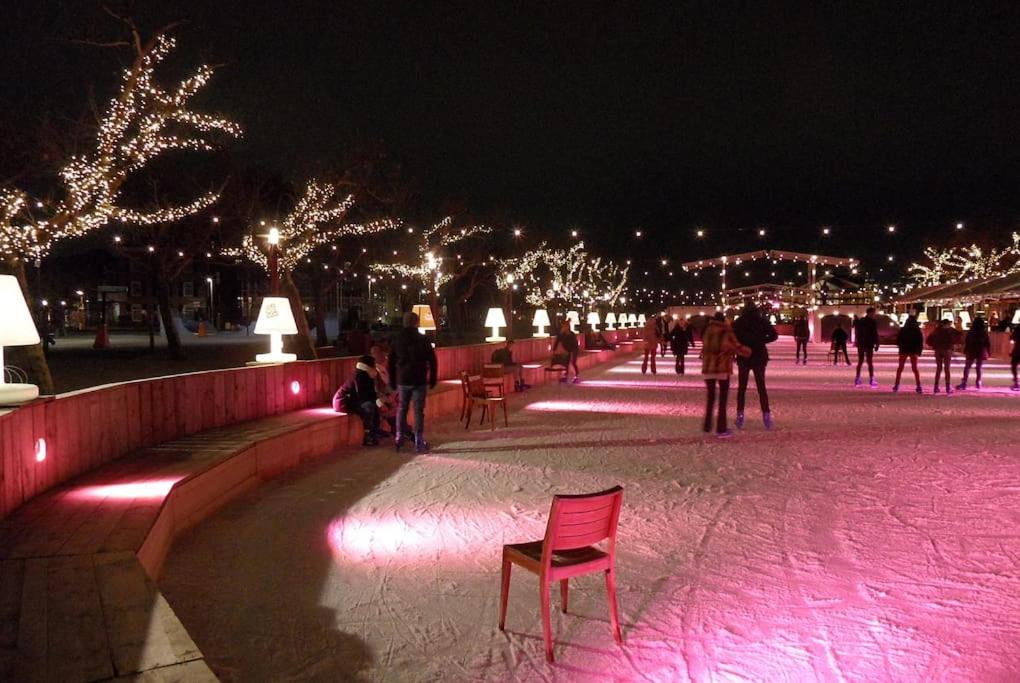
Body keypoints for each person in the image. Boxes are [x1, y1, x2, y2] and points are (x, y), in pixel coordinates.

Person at [388, 311, 438, 453]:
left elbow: (391, 362)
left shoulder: (397, 339)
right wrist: (433, 378)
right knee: (418, 411)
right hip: (419, 379)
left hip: (403, 379)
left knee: (402, 409)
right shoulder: (423, 339)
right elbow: (432, 360)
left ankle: (399, 436)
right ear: (417, 323)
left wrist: (392, 380)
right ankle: (418, 439)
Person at [700, 312, 751, 437]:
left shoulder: (707, 330)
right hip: (721, 368)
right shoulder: (725, 330)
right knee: (722, 399)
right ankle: (721, 428)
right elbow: (734, 346)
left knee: (711, 397)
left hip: (708, 368)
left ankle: (707, 425)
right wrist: (746, 351)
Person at [732, 302, 778, 430]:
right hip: (759, 356)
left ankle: (740, 415)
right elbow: (774, 335)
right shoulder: (761, 320)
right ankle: (766, 415)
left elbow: (732, 338)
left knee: (742, 388)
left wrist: (741, 345)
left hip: (744, 356)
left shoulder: (739, 322)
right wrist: (761, 340)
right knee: (761, 387)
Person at [333, 355, 386, 446]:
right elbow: (363, 396)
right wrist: (379, 403)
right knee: (369, 406)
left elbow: (371, 393)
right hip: (343, 402)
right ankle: (368, 434)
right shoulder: (359, 376)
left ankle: (375, 431)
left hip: (354, 400)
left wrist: (380, 402)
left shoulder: (368, 377)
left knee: (373, 405)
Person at [958, 316, 991, 390]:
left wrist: (965, 350)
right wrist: (988, 351)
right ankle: (978, 382)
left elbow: (967, 341)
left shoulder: (971, 331)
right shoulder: (984, 332)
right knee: (979, 368)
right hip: (980, 350)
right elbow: (987, 343)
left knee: (967, 367)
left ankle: (964, 382)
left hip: (971, 350)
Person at [892, 315, 923, 393]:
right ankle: (918, 385)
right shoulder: (917, 330)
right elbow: (920, 341)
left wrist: (900, 347)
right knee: (915, 369)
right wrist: (919, 351)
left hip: (904, 350)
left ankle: (896, 385)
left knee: (900, 368)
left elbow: (898, 340)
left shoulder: (903, 330)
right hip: (913, 350)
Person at [926, 318, 956, 394]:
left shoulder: (936, 330)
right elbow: (954, 339)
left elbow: (929, 339)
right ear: (946, 324)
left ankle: (936, 387)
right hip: (947, 350)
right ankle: (948, 387)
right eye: (949, 324)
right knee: (947, 369)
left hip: (938, 350)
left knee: (939, 368)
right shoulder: (949, 331)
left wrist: (934, 345)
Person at [853, 307, 880, 387]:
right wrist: (876, 343)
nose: (874, 315)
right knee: (869, 362)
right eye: (873, 313)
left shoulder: (861, 321)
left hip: (862, 344)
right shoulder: (872, 322)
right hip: (868, 344)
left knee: (861, 361)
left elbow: (858, 332)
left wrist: (857, 341)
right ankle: (871, 379)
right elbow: (874, 333)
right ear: (869, 313)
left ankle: (858, 378)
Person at [1011, 324, 1020, 390]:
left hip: (1018, 350)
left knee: (1014, 365)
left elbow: (1012, 338)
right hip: (1017, 349)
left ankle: (1016, 381)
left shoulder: (1018, 328)